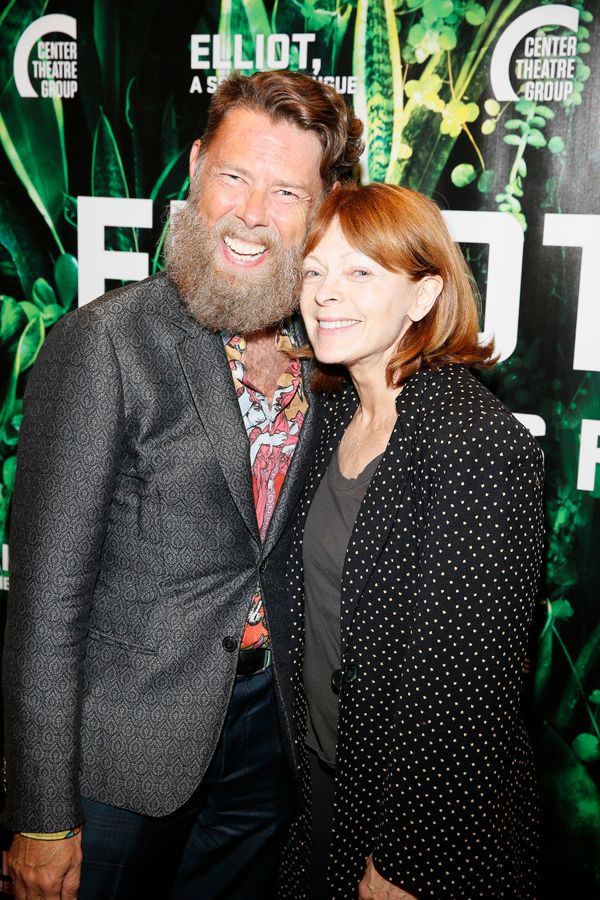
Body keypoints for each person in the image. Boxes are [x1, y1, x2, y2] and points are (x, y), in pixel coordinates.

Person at [2, 71, 363, 900]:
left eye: (285, 191)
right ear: (197, 166)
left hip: (270, 747)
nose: (250, 212)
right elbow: (46, 603)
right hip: (117, 763)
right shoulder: (105, 344)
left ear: (324, 206)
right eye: (234, 175)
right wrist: (42, 813)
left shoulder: (335, 353)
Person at [275, 183, 544, 899]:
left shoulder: (477, 447)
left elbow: (470, 687)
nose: (326, 294)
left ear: (424, 295)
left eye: (361, 272)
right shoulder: (335, 419)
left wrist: (408, 859)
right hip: (323, 788)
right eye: (314, 270)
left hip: (415, 827)